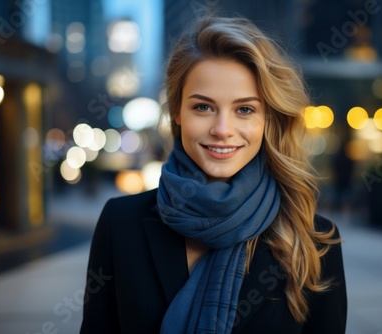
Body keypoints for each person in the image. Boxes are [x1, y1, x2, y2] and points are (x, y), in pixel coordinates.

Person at [80, 16, 347, 334]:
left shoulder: (315, 240)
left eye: (244, 109)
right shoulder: (120, 223)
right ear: (177, 112)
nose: (222, 130)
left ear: (268, 118)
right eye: (203, 107)